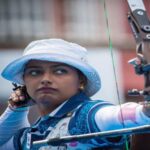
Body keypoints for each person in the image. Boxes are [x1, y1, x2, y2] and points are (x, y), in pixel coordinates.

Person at [0, 38, 150, 150]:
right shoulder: (32, 133)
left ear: (81, 81)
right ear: (24, 83)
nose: (45, 79)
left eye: (60, 71)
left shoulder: (87, 115)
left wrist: (144, 111)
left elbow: (120, 116)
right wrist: (16, 108)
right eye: (34, 72)